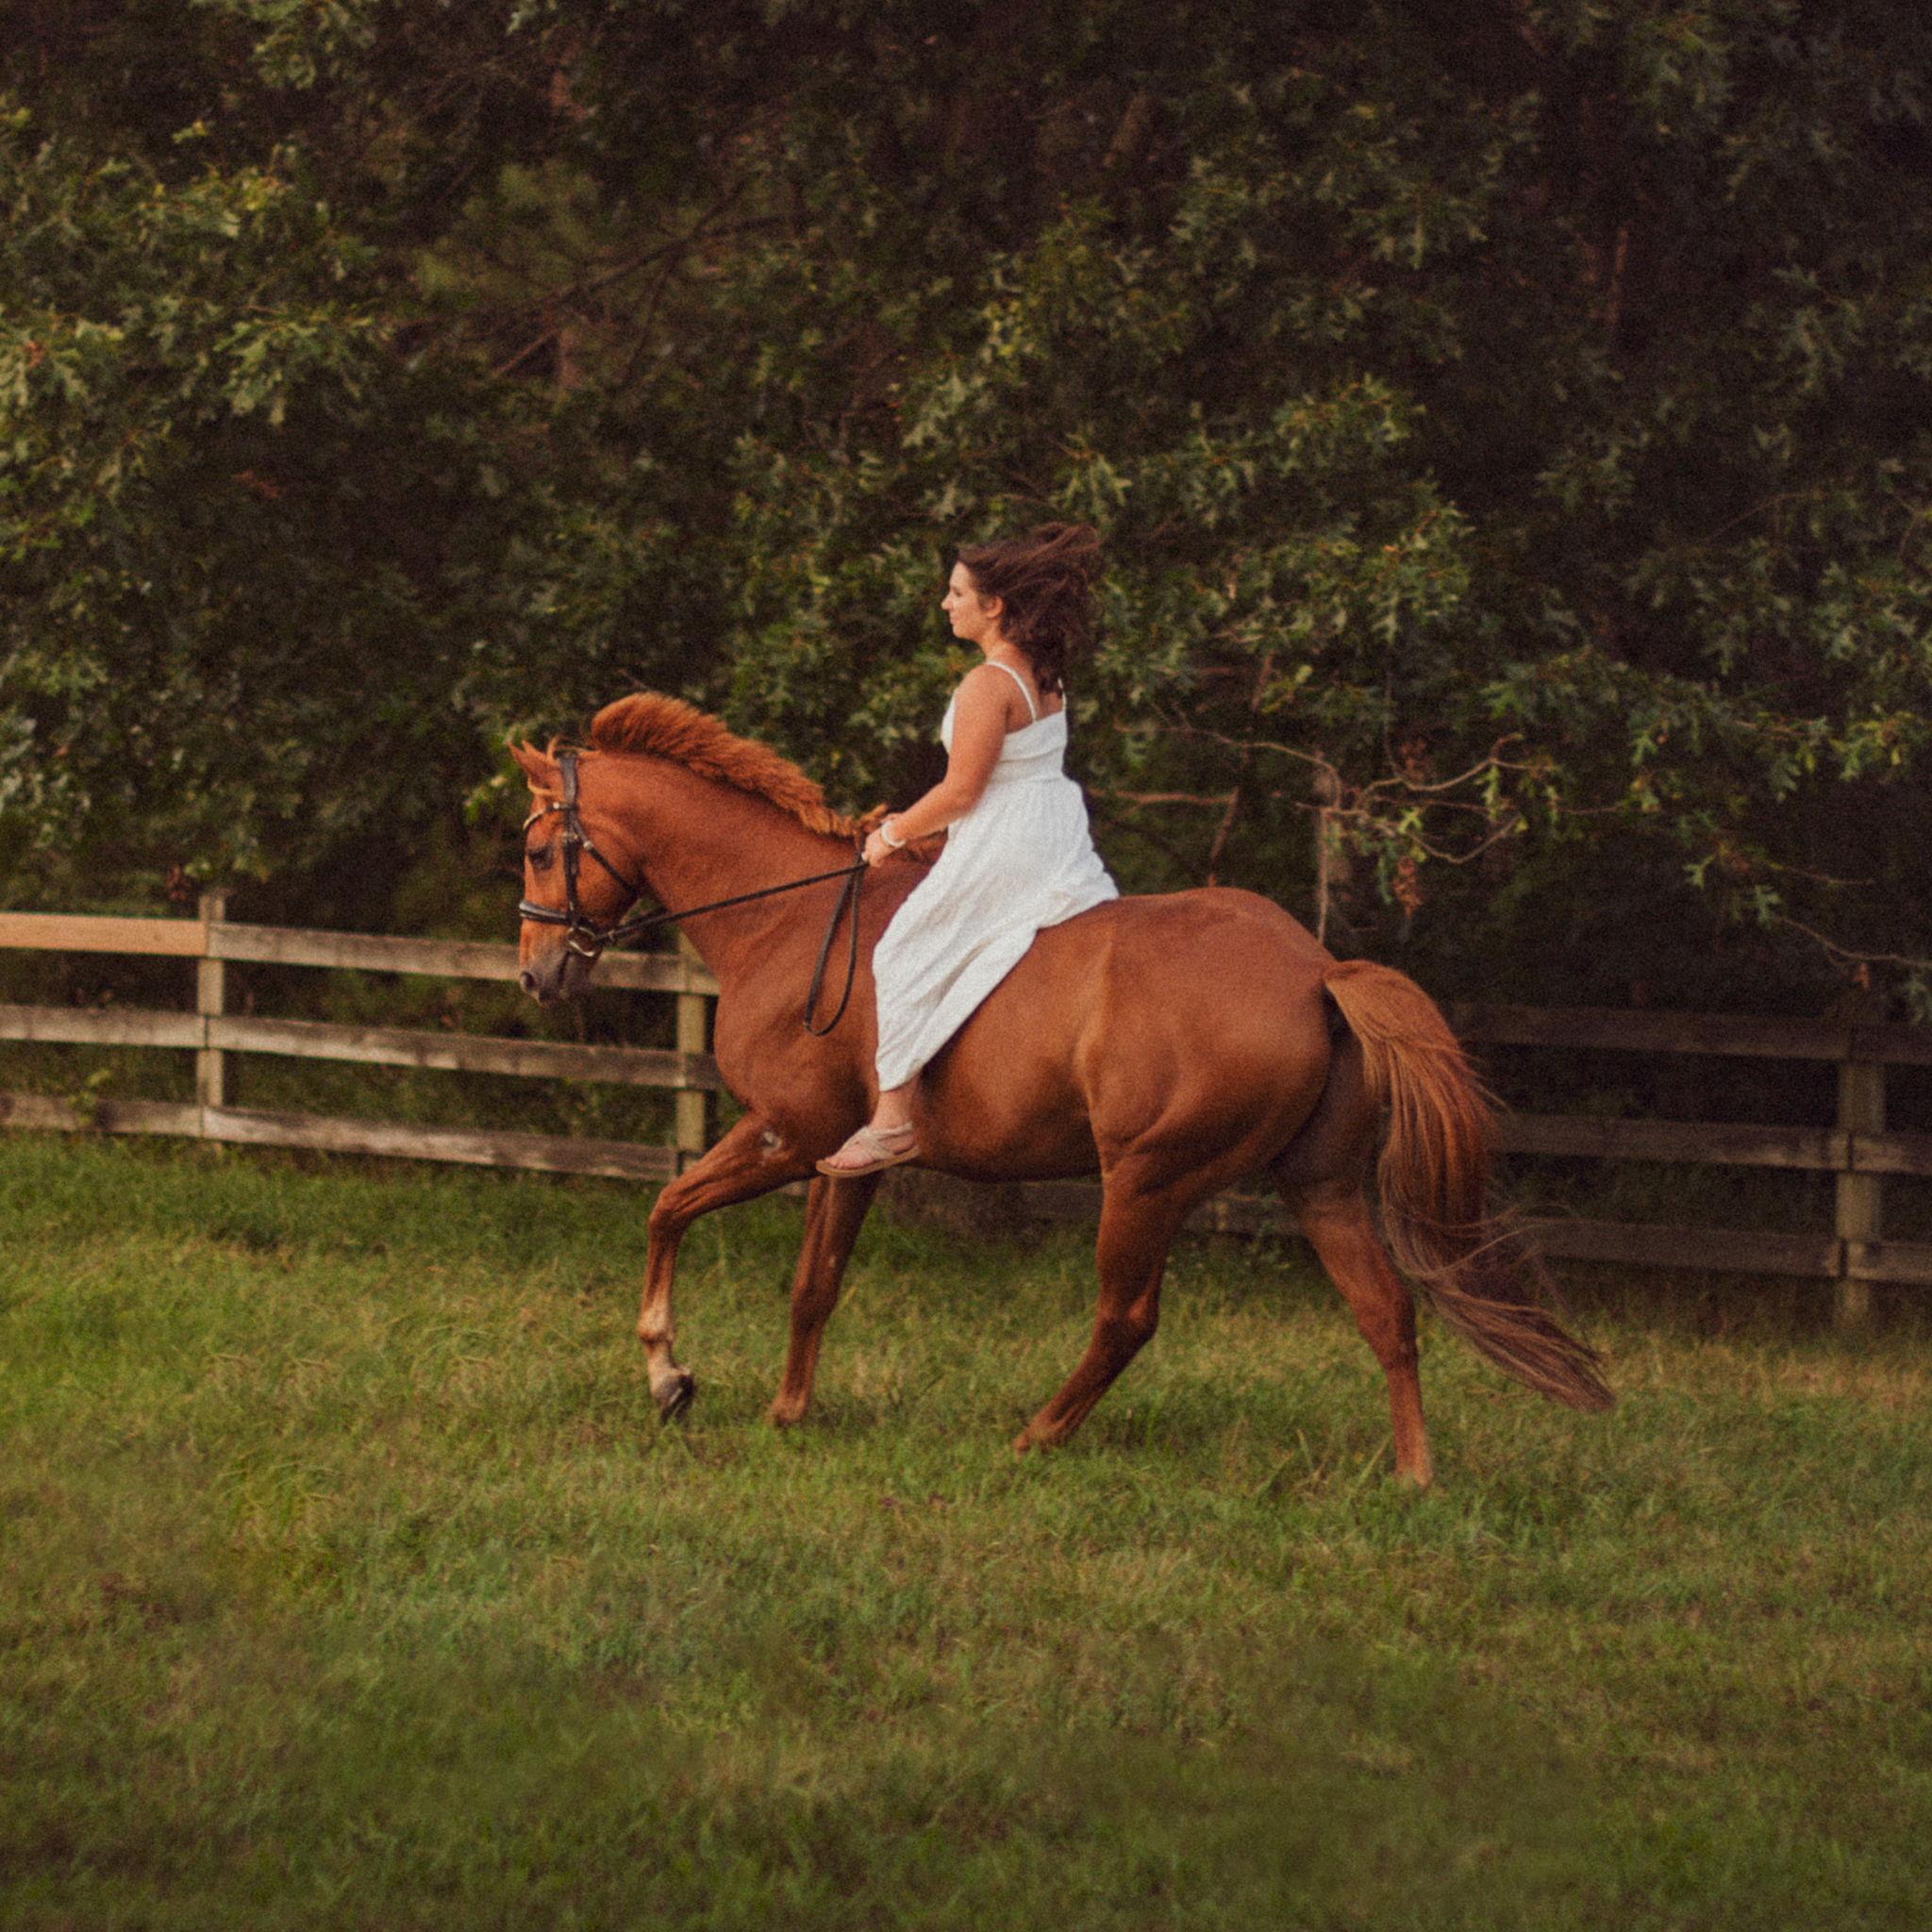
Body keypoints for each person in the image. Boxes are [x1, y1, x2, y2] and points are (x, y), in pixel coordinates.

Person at [817, 523, 1119, 1176]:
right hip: (1052, 826)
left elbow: (960, 792)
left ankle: (893, 1119)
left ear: (995, 607)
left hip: (1007, 833)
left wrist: (891, 835)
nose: (946, 604)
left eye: (957, 594)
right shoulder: (1045, 674)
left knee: (905, 947)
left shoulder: (988, 683)